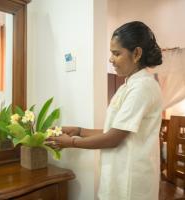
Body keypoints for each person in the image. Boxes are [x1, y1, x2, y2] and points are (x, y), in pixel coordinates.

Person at [48, 21, 163, 200]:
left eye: (116, 53)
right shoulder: (128, 85)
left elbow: (113, 138)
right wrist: (79, 130)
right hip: (119, 170)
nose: (111, 59)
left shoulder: (143, 87)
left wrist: (71, 142)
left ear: (137, 53)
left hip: (131, 177)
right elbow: (114, 131)